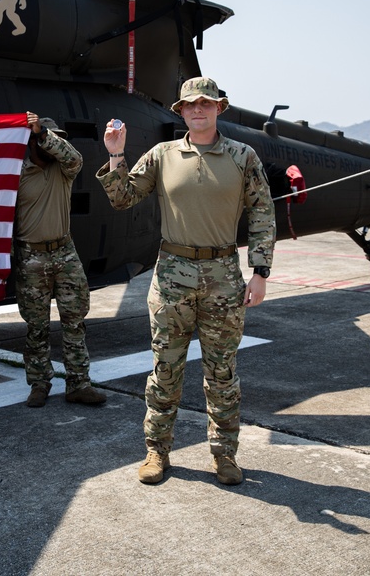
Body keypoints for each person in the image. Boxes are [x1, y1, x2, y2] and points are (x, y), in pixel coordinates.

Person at [97, 77, 275, 486]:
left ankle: (225, 456)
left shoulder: (242, 156)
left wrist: (260, 271)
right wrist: (116, 155)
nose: (199, 110)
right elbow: (123, 197)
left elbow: (263, 213)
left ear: (219, 109)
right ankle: (156, 452)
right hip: (172, 276)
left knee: (222, 373)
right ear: (181, 111)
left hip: (224, 278)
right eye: (191, 105)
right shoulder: (162, 154)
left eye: (207, 104)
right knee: (165, 369)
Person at [13, 111, 106, 408]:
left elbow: (75, 157)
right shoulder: (17, 172)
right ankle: (39, 383)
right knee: (36, 327)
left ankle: (78, 383)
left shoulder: (64, 170)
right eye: (42, 141)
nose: (51, 146)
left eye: (53, 141)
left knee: (74, 322)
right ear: (29, 144)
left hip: (64, 253)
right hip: (31, 256)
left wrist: (42, 133)